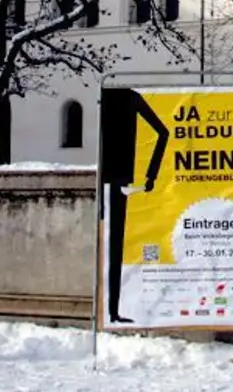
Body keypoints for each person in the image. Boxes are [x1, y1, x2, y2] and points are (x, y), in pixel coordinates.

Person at [99, 87, 169, 325]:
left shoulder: (108, 98)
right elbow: (163, 132)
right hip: (121, 180)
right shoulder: (131, 97)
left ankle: (111, 312)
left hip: (107, 179)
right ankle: (112, 312)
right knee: (115, 247)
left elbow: (163, 132)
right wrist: (151, 177)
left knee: (109, 248)